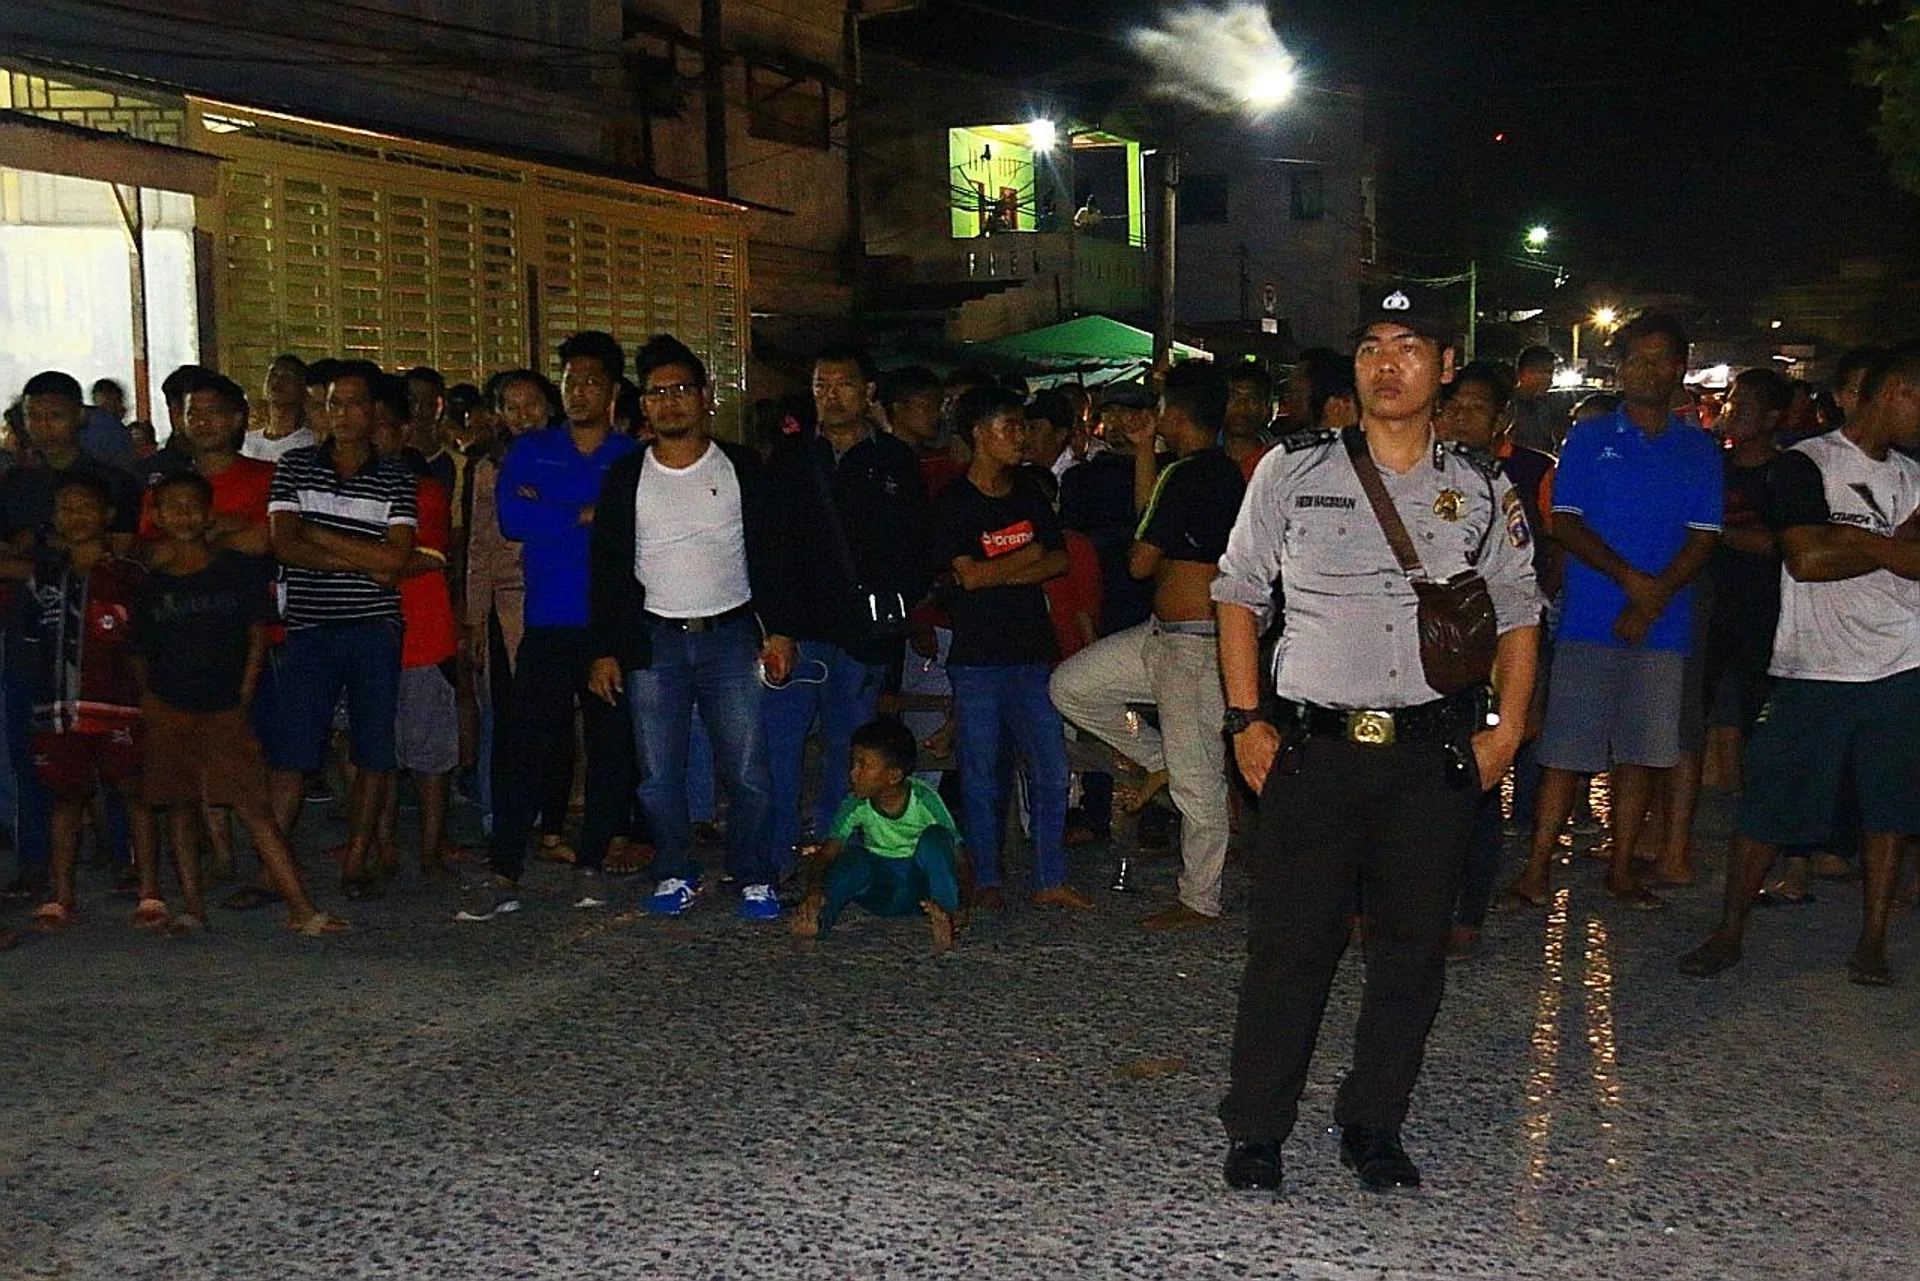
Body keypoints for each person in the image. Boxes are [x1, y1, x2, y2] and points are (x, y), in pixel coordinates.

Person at [1212, 285, 1541, 1194]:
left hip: (1430, 756)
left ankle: (1375, 1122)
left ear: (1443, 367)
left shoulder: (1480, 484)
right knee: (1290, 948)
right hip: (1311, 751)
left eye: (1407, 347)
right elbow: (1238, 591)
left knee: (1411, 954)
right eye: (1370, 348)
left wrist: (1507, 731)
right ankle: (1258, 1128)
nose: (1385, 364)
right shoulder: (1294, 468)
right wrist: (1247, 719)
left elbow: (1519, 611)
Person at [1680, 342, 1920, 987]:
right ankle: (1729, 928)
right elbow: (1806, 562)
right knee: (1768, 803)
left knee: (1889, 809)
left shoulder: (1916, 472)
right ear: (1895, 393)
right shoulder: (1804, 465)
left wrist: (1847, 538)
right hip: (1816, 664)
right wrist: (1892, 545)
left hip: (1903, 660)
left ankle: (1872, 940)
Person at [1505, 315, 1722, 909]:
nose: (1647, 370)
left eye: (1660, 359)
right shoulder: (1589, 440)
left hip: (1665, 626)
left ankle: (1622, 867)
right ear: (1620, 367)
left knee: (1642, 753)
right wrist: (1635, 585)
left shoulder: (1698, 450)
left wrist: (1651, 599)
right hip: (1591, 617)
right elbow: (1565, 524)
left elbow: (1704, 536)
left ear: (1680, 367)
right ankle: (1537, 869)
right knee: (1566, 751)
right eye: (1636, 359)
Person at [586, 334, 794, 921]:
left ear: (705, 397)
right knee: (657, 773)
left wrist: (779, 631)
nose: (671, 402)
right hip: (655, 640)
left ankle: (754, 873)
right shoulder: (625, 477)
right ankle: (675, 870)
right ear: (642, 405)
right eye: (658, 393)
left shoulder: (742, 467)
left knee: (749, 769)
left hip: (730, 634)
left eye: (682, 390)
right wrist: (604, 649)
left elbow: (774, 555)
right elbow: (606, 568)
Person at [1050, 361, 1244, 929]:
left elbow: (1140, 558)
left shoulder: (1192, 475)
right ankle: (1162, 762)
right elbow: (1149, 518)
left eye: (1159, 412)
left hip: (1195, 645)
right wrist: (1141, 450)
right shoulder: (1202, 472)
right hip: (1164, 638)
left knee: (1199, 779)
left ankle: (1199, 899)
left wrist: (1146, 547)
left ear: (1176, 415)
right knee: (1073, 687)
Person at [461, 335, 640, 921]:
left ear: (612, 390)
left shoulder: (630, 456)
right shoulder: (532, 450)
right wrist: (587, 514)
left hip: (609, 623)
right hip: (546, 620)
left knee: (610, 749)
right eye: (570, 381)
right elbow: (514, 519)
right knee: (524, 747)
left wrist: (561, 514)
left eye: (590, 381)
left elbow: (628, 527)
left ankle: (591, 860)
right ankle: (503, 867)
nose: (578, 390)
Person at [132, 473, 346, 936]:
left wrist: (244, 696)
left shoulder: (232, 569)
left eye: (193, 506)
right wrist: (150, 703)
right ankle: (192, 907)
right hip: (170, 708)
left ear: (210, 514)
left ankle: (301, 908)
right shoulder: (151, 584)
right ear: (157, 517)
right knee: (178, 806)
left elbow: (256, 638)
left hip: (224, 707)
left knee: (254, 807)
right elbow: (139, 653)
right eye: (173, 507)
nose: (184, 515)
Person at [761, 346, 929, 878]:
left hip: (863, 635)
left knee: (851, 757)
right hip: (800, 633)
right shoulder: (790, 458)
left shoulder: (895, 461)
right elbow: (768, 547)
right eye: (821, 385)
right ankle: (776, 858)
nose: (831, 396)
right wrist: (777, 628)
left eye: (843, 384)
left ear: (868, 391)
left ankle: (833, 858)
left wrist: (892, 610)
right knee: (779, 751)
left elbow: (914, 548)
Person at [931, 386, 1090, 912]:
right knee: (980, 771)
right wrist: (1019, 565)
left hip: (1031, 650)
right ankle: (989, 877)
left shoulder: (1027, 492)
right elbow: (967, 578)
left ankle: (1049, 876)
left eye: (1022, 426)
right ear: (979, 434)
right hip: (978, 656)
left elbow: (1057, 560)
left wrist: (994, 572)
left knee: (1049, 766)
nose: (1020, 436)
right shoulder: (954, 503)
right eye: (1009, 426)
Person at [266, 359, 418, 900]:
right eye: (333, 403)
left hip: (374, 626)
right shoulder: (295, 466)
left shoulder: (398, 476)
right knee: (294, 749)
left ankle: (356, 857)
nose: (344, 413)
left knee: (373, 748)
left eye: (355, 403)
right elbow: (285, 544)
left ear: (374, 410)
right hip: (311, 626)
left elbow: (397, 559)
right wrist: (368, 560)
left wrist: (320, 535)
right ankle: (273, 864)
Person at [1433, 360, 1558, 957]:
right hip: (1421, 655)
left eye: (1475, 407)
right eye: (1453, 405)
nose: (1460, 418)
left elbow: (1532, 585)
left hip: (1488, 652)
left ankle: (1467, 911)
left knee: (1475, 786)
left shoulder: (1524, 476)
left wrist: (1523, 693)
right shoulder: (1416, 469)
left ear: (1503, 416)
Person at [13, 475, 158, 932]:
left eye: (85, 507)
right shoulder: (44, 578)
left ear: (107, 516)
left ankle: (150, 891)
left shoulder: (130, 576)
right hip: (57, 707)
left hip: (118, 705)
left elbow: (145, 644)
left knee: (133, 793)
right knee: (65, 798)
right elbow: (30, 642)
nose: (75, 517)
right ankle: (61, 896)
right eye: (65, 509)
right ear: (54, 519)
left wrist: (147, 701)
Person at [463, 370, 571, 850]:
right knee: (508, 717)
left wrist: (546, 508)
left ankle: (554, 820)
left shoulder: (573, 455)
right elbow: (481, 544)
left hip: (563, 597)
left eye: (532, 404)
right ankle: (502, 816)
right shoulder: (488, 468)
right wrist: (474, 618)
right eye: (511, 406)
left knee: (561, 719)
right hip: (507, 605)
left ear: (551, 406)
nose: (523, 415)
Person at [790, 717, 964, 950]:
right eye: (853, 764)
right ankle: (818, 919)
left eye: (863, 765)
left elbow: (959, 855)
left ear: (893, 776)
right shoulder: (856, 803)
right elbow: (827, 854)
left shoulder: (924, 799)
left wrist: (964, 904)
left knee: (936, 838)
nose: (853, 773)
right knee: (852, 858)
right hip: (880, 888)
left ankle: (947, 915)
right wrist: (814, 892)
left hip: (920, 891)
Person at [243, 355, 319, 463]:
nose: (277, 380)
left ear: (302, 388)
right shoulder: (246, 443)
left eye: (287, 376)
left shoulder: (309, 444)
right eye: (273, 373)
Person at [1223, 362, 1276, 482]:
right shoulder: (1203, 463)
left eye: (1252, 398)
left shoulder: (1277, 466)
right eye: (1233, 397)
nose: (1241, 406)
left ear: (1266, 409)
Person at [1509, 345, 1560, 454]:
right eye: (1544, 372)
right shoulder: (1507, 406)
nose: (1549, 379)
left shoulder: (1543, 407)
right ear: (1524, 373)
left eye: (1551, 372)